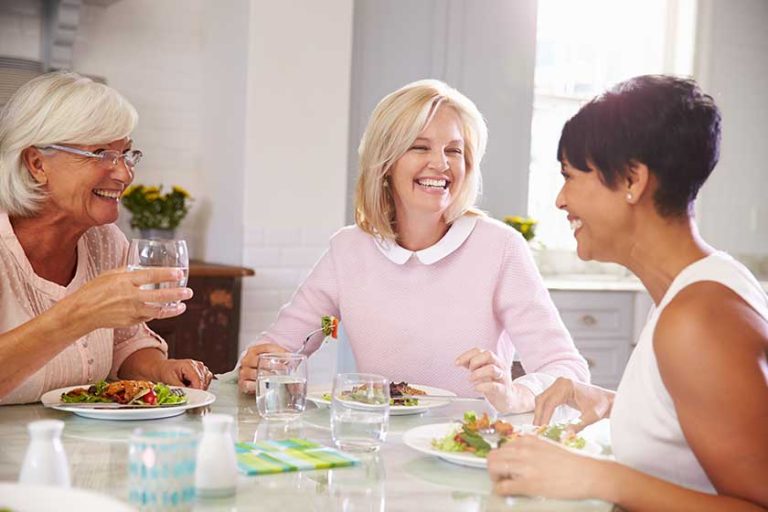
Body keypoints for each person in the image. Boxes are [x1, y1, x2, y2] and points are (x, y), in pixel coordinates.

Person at [487, 75, 768, 510]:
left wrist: (601, 478)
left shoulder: (699, 320)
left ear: (633, 179)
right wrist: (605, 401)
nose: (561, 201)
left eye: (570, 175)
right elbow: (698, 427)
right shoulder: (697, 289)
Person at [239, 79, 589, 413]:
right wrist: (257, 367)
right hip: (373, 447)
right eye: (420, 147)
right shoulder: (348, 250)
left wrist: (515, 394)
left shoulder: (500, 248)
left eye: (455, 150)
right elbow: (278, 349)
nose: (441, 163)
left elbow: (568, 369)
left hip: (466, 452)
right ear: (386, 162)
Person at [0, 72, 213, 405]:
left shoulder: (104, 242)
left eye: (127, 154)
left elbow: (124, 343)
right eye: (100, 153)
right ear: (37, 163)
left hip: (80, 450)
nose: (125, 173)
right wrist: (79, 314)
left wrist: (159, 370)